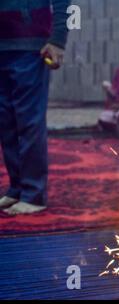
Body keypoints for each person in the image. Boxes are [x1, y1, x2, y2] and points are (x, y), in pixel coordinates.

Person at [0, 0, 70, 215]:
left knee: (28, 120)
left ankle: (34, 194)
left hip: (31, 47)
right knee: (5, 121)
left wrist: (57, 39)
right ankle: (17, 188)